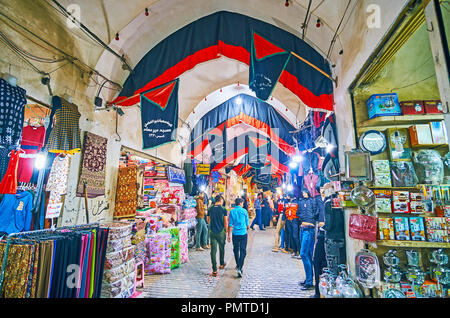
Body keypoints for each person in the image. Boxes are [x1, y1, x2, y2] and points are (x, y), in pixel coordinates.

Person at [298, 191, 319, 291]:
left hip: (309, 230)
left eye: (305, 192)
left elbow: (316, 212)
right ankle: (308, 279)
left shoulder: (313, 201)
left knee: (303, 254)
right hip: (302, 229)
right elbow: (298, 212)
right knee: (308, 255)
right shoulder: (301, 201)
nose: (303, 193)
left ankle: (310, 281)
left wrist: (311, 219)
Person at [228, 197, 249, 278]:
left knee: (236, 250)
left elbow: (230, 225)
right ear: (240, 203)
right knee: (243, 251)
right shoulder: (244, 211)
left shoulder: (232, 212)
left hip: (235, 234)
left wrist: (228, 235)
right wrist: (246, 229)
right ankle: (240, 267)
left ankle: (238, 265)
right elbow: (247, 225)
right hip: (243, 233)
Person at [207, 195, 228, 277]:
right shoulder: (223, 209)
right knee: (221, 248)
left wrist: (212, 225)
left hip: (212, 232)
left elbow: (208, 219)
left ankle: (214, 270)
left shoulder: (210, 208)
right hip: (221, 231)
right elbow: (225, 221)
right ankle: (222, 264)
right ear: (220, 200)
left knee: (213, 251)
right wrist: (226, 230)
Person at [311, 189, 326, 298]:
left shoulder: (331, 202)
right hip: (321, 234)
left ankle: (321, 292)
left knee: (321, 264)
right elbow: (314, 213)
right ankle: (318, 292)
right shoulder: (318, 200)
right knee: (317, 263)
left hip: (328, 237)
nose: (322, 191)